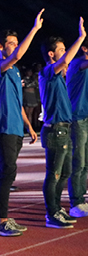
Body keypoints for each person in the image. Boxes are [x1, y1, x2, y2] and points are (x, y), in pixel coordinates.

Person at [0, 9, 42, 236]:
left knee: (9, 172)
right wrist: (35, 29)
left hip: (16, 127)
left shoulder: (15, 71)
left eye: (17, 42)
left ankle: (5, 217)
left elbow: (18, 101)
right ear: (1, 47)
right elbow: (17, 56)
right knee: (5, 171)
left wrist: (28, 125)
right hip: (3, 126)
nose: (16, 46)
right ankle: (1, 221)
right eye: (12, 43)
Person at [39, 20, 85, 228]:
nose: (65, 54)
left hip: (64, 130)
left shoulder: (59, 77)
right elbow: (67, 59)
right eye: (61, 50)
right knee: (54, 174)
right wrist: (81, 37)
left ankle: (57, 208)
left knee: (64, 172)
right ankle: (52, 213)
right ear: (51, 54)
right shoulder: (48, 72)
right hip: (55, 130)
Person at [66, 36, 88, 218]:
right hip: (77, 118)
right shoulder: (77, 64)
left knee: (85, 162)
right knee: (78, 162)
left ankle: (82, 198)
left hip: (86, 117)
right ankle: (76, 202)